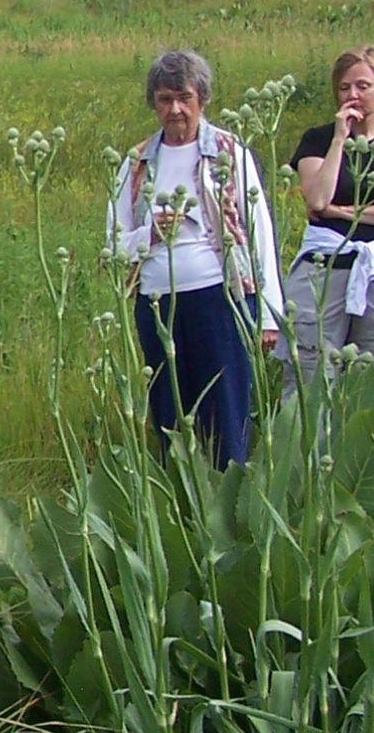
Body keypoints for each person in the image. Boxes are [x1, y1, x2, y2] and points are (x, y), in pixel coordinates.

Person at [106, 50, 285, 468]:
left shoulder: (228, 152)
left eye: (184, 97)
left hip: (220, 298)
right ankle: (181, 500)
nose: (175, 109)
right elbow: (113, 244)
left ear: (201, 99)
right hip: (157, 303)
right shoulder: (136, 163)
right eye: (165, 99)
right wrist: (151, 235)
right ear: (153, 102)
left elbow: (260, 232)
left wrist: (269, 315)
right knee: (169, 412)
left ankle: (230, 503)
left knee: (225, 410)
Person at [284, 46, 374, 379]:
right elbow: (317, 199)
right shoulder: (317, 140)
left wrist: (343, 212)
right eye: (345, 87)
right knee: (312, 369)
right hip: (325, 265)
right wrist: (339, 139)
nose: (353, 95)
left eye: (363, 86)